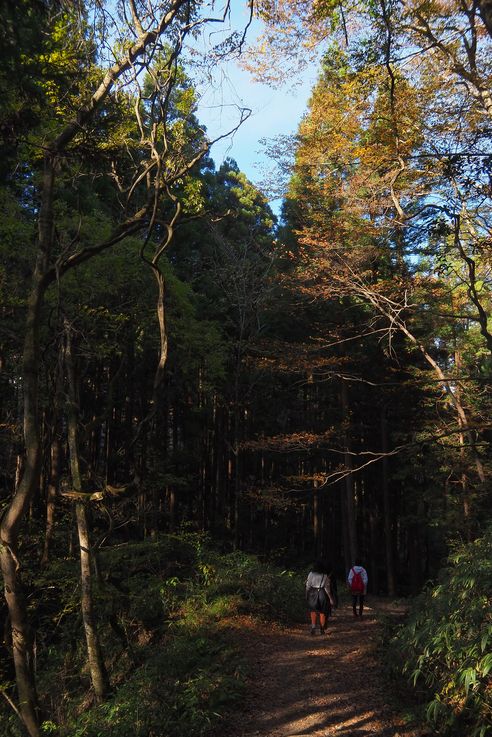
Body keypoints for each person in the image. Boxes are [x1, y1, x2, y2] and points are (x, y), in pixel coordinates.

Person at [305, 560, 335, 635]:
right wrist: (331, 598)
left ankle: (313, 627)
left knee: (313, 610)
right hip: (322, 593)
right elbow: (327, 588)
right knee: (322, 612)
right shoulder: (324, 575)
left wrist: (306, 594)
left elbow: (308, 585)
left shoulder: (311, 574)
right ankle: (322, 629)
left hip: (312, 593)